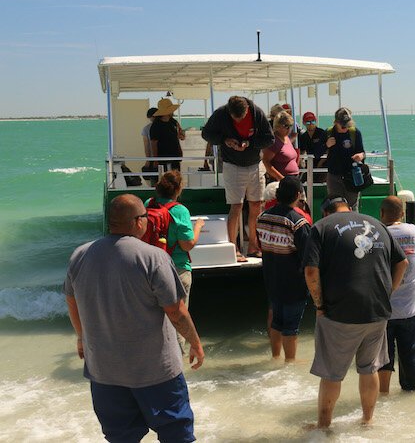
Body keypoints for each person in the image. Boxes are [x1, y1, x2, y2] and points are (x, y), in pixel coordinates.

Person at [64, 194, 204, 442]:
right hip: (155, 371)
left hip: (104, 372)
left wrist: (81, 337)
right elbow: (176, 311)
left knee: (121, 438)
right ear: (138, 222)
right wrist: (195, 342)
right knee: (177, 435)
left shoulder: (80, 255)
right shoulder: (153, 257)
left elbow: (72, 300)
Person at [303, 195, 407, 428]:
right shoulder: (377, 224)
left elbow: (311, 272)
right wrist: (387, 291)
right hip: (377, 311)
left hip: (339, 312)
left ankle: (324, 427)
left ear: (326, 212)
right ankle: (367, 421)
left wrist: (319, 305)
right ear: (350, 208)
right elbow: (403, 263)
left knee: (331, 373)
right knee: (369, 368)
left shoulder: (321, 227)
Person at [201, 95, 274, 260]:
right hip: (232, 166)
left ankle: (254, 246)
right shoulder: (221, 114)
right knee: (236, 206)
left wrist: (249, 143)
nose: (239, 121)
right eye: (235, 118)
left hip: (255, 164)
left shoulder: (257, 114)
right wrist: (225, 140)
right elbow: (206, 134)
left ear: (247, 109)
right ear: (229, 111)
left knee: (256, 205)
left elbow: (269, 138)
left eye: (241, 118)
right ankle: (233, 248)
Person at [145, 170, 205, 354]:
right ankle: (176, 364)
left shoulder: (149, 204)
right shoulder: (180, 210)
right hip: (177, 269)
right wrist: (198, 227)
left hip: (150, 267)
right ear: (178, 189)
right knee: (178, 318)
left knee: (155, 318)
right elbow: (187, 245)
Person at [256, 176, 311, 361]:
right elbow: (307, 258)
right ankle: (290, 364)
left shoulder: (262, 217)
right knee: (291, 327)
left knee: (277, 323)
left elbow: (260, 244)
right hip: (293, 283)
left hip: (271, 280)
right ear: (297, 195)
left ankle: (275, 357)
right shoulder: (298, 223)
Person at [378, 196, 415, 393]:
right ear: (402, 214)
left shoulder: (378, 233)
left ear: (381, 213)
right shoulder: (413, 230)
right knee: (410, 356)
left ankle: (383, 394)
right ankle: (411, 394)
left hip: (384, 309)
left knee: (384, 357)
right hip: (409, 308)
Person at [325, 107, 365, 210]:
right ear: (335, 122)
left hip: (352, 176)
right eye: (343, 126)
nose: (345, 128)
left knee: (352, 207)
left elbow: (362, 152)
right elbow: (316, 153)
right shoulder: (329, 133)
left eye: (348, 125)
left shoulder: (355, 133)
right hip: (334, 176)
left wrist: (361, 156)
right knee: (334, 207)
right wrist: (326, 145)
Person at [262, 111, 300, 181]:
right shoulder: (273, 141)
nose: (289, 129)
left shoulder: (287, 138)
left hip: (294, 178)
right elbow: (265, 162)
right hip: (281, 181)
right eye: (286, 126)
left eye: (290, 126)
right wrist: (281, 178)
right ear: (278, 126)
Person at [150, 98, 185, 171]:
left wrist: (180, 150)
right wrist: (155, 160)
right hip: (163, 157)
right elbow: (153, 143)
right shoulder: (156, 126)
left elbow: (178, 136)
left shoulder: (174, 122)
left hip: (175, 156)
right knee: (166, 178)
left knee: (176, 177)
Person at [298, 111, 328, 183]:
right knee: (302, 181)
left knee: (319, 180)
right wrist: (299, 161)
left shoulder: (322, 133)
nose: (311, 124)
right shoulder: (303, 136)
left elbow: (328, 149)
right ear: (304, 123)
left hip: (323, 162)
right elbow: (302, 150)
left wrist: (320, 163)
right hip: (310, 163)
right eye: (308, 122)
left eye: (313, 121)